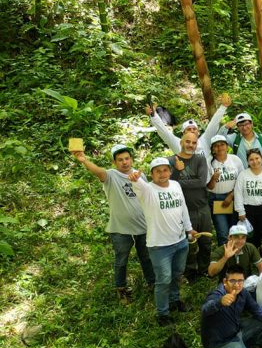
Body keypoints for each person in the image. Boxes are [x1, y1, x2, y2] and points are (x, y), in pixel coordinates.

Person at [71, 144, 154, 302]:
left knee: (147, 257)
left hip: (143, 226)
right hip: (121, 229)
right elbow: (99, 172)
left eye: (127, 158)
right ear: (115, 163)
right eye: (120, 160)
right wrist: (83, 160)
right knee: (121, 260)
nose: (125, 162)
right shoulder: (111, 176)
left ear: (131, 159)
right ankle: (121, 288)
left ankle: (152, 283)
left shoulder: (140, 175)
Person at [128, 158, 195, 325]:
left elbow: (183, 208)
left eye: (165, 170)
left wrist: (189, 229)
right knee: (164, 279)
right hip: (159, 246)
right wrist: (135, 179)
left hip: (180, 241)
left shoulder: (175, 185)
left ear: (170, 172)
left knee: (177, 274)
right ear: (151, 174)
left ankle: (174, 301)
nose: (162, 174)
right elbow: (138, 185)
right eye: (157, 171)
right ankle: (162, 313)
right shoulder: (148, 189)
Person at [170, 129, 212, 281]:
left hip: (202, 207)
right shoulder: (171, 160)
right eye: (187, 141)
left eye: (194, 143)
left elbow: (201, 182)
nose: (190, 145)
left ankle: (204, 269)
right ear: (181, 142)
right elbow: (170, 184)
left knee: (206, 241)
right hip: (184, 211)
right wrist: (178, 171)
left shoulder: (200, 159)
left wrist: (181, 179)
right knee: (189, 243)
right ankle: (190, 272)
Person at [146, 92, 231, 163]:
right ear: (183, 133)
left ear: (198, 132)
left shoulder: (205, 140)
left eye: (194, 129)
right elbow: (164, 132)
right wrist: (153, 116)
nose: (192, 131)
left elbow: (213, 124)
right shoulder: (177, 143)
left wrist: (223, 107)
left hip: (208, 182)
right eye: (189, 129)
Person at [207, 135, 244, 244]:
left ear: (227, 146)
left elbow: (241, 180)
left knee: (235, 230)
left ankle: (237, 257)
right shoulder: (209, 162)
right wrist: (213, 179)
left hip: (234, 198)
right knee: (223, 232)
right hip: (217, 199)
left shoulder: (235, 160)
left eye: (222, 144)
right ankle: (225, 258)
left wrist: (231, 195)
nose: (220, 148)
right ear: (213, 148)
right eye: (216, 146)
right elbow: (209, 187)